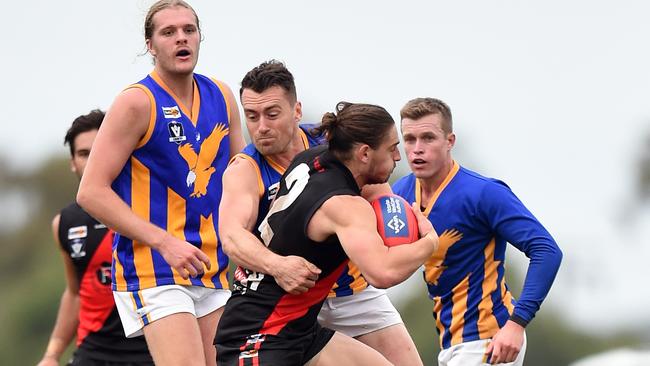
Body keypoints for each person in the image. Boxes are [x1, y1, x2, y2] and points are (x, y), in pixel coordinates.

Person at [217, 60, 423, 365]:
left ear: (297, 111)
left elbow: (376, 187)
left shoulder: (329, 143)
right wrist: (279, 266)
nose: (261, 126)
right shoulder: (245, 170)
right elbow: (233, 237)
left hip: (351, 290)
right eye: (251, 116)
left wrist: (391, 227)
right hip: (287, 297)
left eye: (272, 114)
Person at [76, 1, 244, 365]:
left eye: (189, 30)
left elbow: (240, 182)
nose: (181, 39)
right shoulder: (137, 102)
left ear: (200, 37)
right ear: (150, 45)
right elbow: (91, 192)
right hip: (155, 269)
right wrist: (165, 242)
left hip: (213, 269)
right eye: (168, 33)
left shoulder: (222, 95)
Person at [392, 97, 563, 366]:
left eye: (428, 138)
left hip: (490, 338)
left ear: (450, 141)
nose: (417, 150)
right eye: (409, 139)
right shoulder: (400, 193)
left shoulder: (484, 193)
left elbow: (547, 251)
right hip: (451, 342)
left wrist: (517, 323)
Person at [38, 110, 153, 366]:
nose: (92, 161)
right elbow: (75, 292)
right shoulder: (64, 223)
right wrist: (52, 354)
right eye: (83, 154)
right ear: (72, 162)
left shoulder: (154, 207)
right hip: (93, 352)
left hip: (151, 348)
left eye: (99, 149)